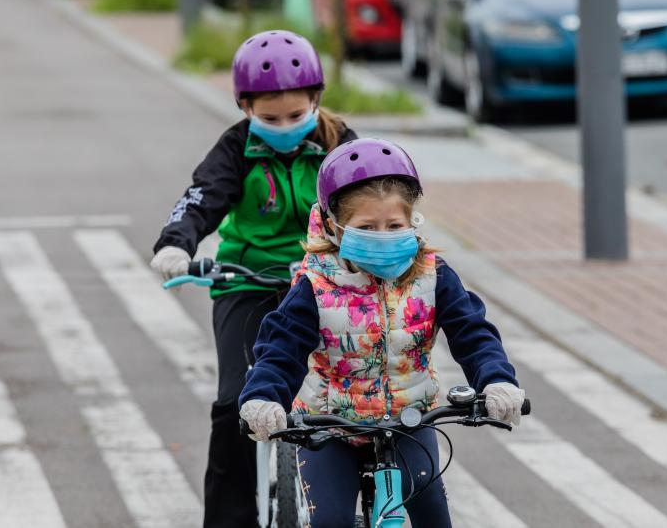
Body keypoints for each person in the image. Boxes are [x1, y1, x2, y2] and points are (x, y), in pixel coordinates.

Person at [238, 138, 525, 528]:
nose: (383, 236)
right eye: (367, 228)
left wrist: (496, 380)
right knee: (330, 522)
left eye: (394, 226)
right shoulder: (315, 286)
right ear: (334, 227)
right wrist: (263, 396)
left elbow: (472, 332)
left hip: (409, 422)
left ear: (412, 222)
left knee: (433, 515)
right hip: (329, 427)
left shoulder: (433, 275)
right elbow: (281, 347)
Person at [149, 30, 357, 528]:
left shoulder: (339, 144)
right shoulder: (236, 148)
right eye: (269, 119)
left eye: (295, 115)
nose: (284, 127)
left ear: (316, 98)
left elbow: (373, 200)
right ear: (245, 107)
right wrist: (177, 243)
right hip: (247, 283)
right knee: (234, 402)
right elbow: (202, 197)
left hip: (324, 283)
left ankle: (364, 494)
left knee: (359, 394)